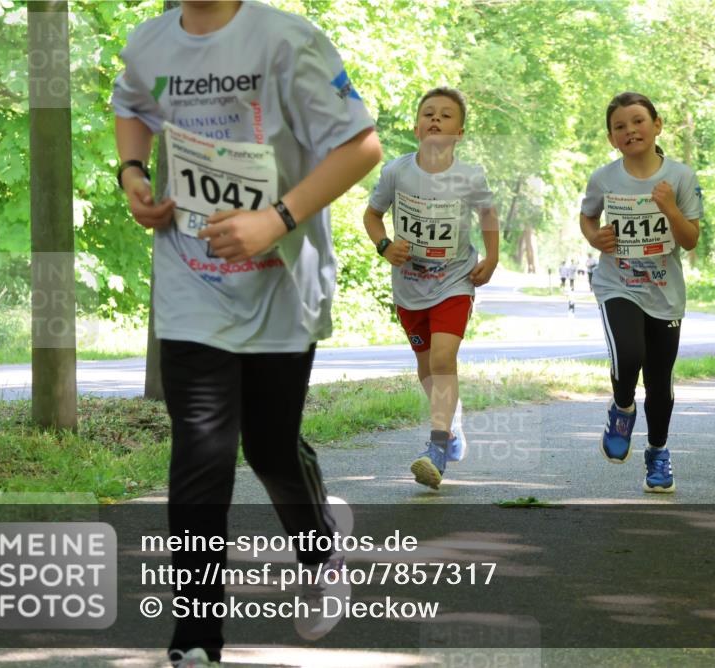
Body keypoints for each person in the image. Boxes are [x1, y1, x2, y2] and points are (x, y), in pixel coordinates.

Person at [112, 2, 382, 665]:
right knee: (200, 453)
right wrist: (133, 175)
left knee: (268, 446)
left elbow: (361, 147)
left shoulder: (287, 40)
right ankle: (197, 636)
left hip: (279, 283)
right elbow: (132, 108)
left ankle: (319, 551)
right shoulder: (149, 44)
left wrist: (277, 218)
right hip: (190, 281)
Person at [363, 86, 499, 490]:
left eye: (445, 114)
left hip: (455, 279)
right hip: (410, 285)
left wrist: (490, 259)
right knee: (427, 366)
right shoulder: (397, 172)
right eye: (428, 113)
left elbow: (488, 215)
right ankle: (451, 424)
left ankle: (437, 445)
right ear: (417, 126)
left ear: (460, 131)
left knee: (443, 357)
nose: (435, 119)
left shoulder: (470, 176)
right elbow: (372, 216)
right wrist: (385, 246)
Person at [580, 91, 702, 494]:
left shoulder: (680, 178)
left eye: (637, 121)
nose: (630, 130)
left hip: (665, 293)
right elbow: (588, 216)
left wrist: (669, 208)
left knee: (660, 382)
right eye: (619, 126)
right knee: (629, 354)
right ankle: (621, 408)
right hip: (618, 284)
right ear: (612, 138)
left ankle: (657, 452)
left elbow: (690, 241)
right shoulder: (604, 178)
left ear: (657, 125)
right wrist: (595, 238)